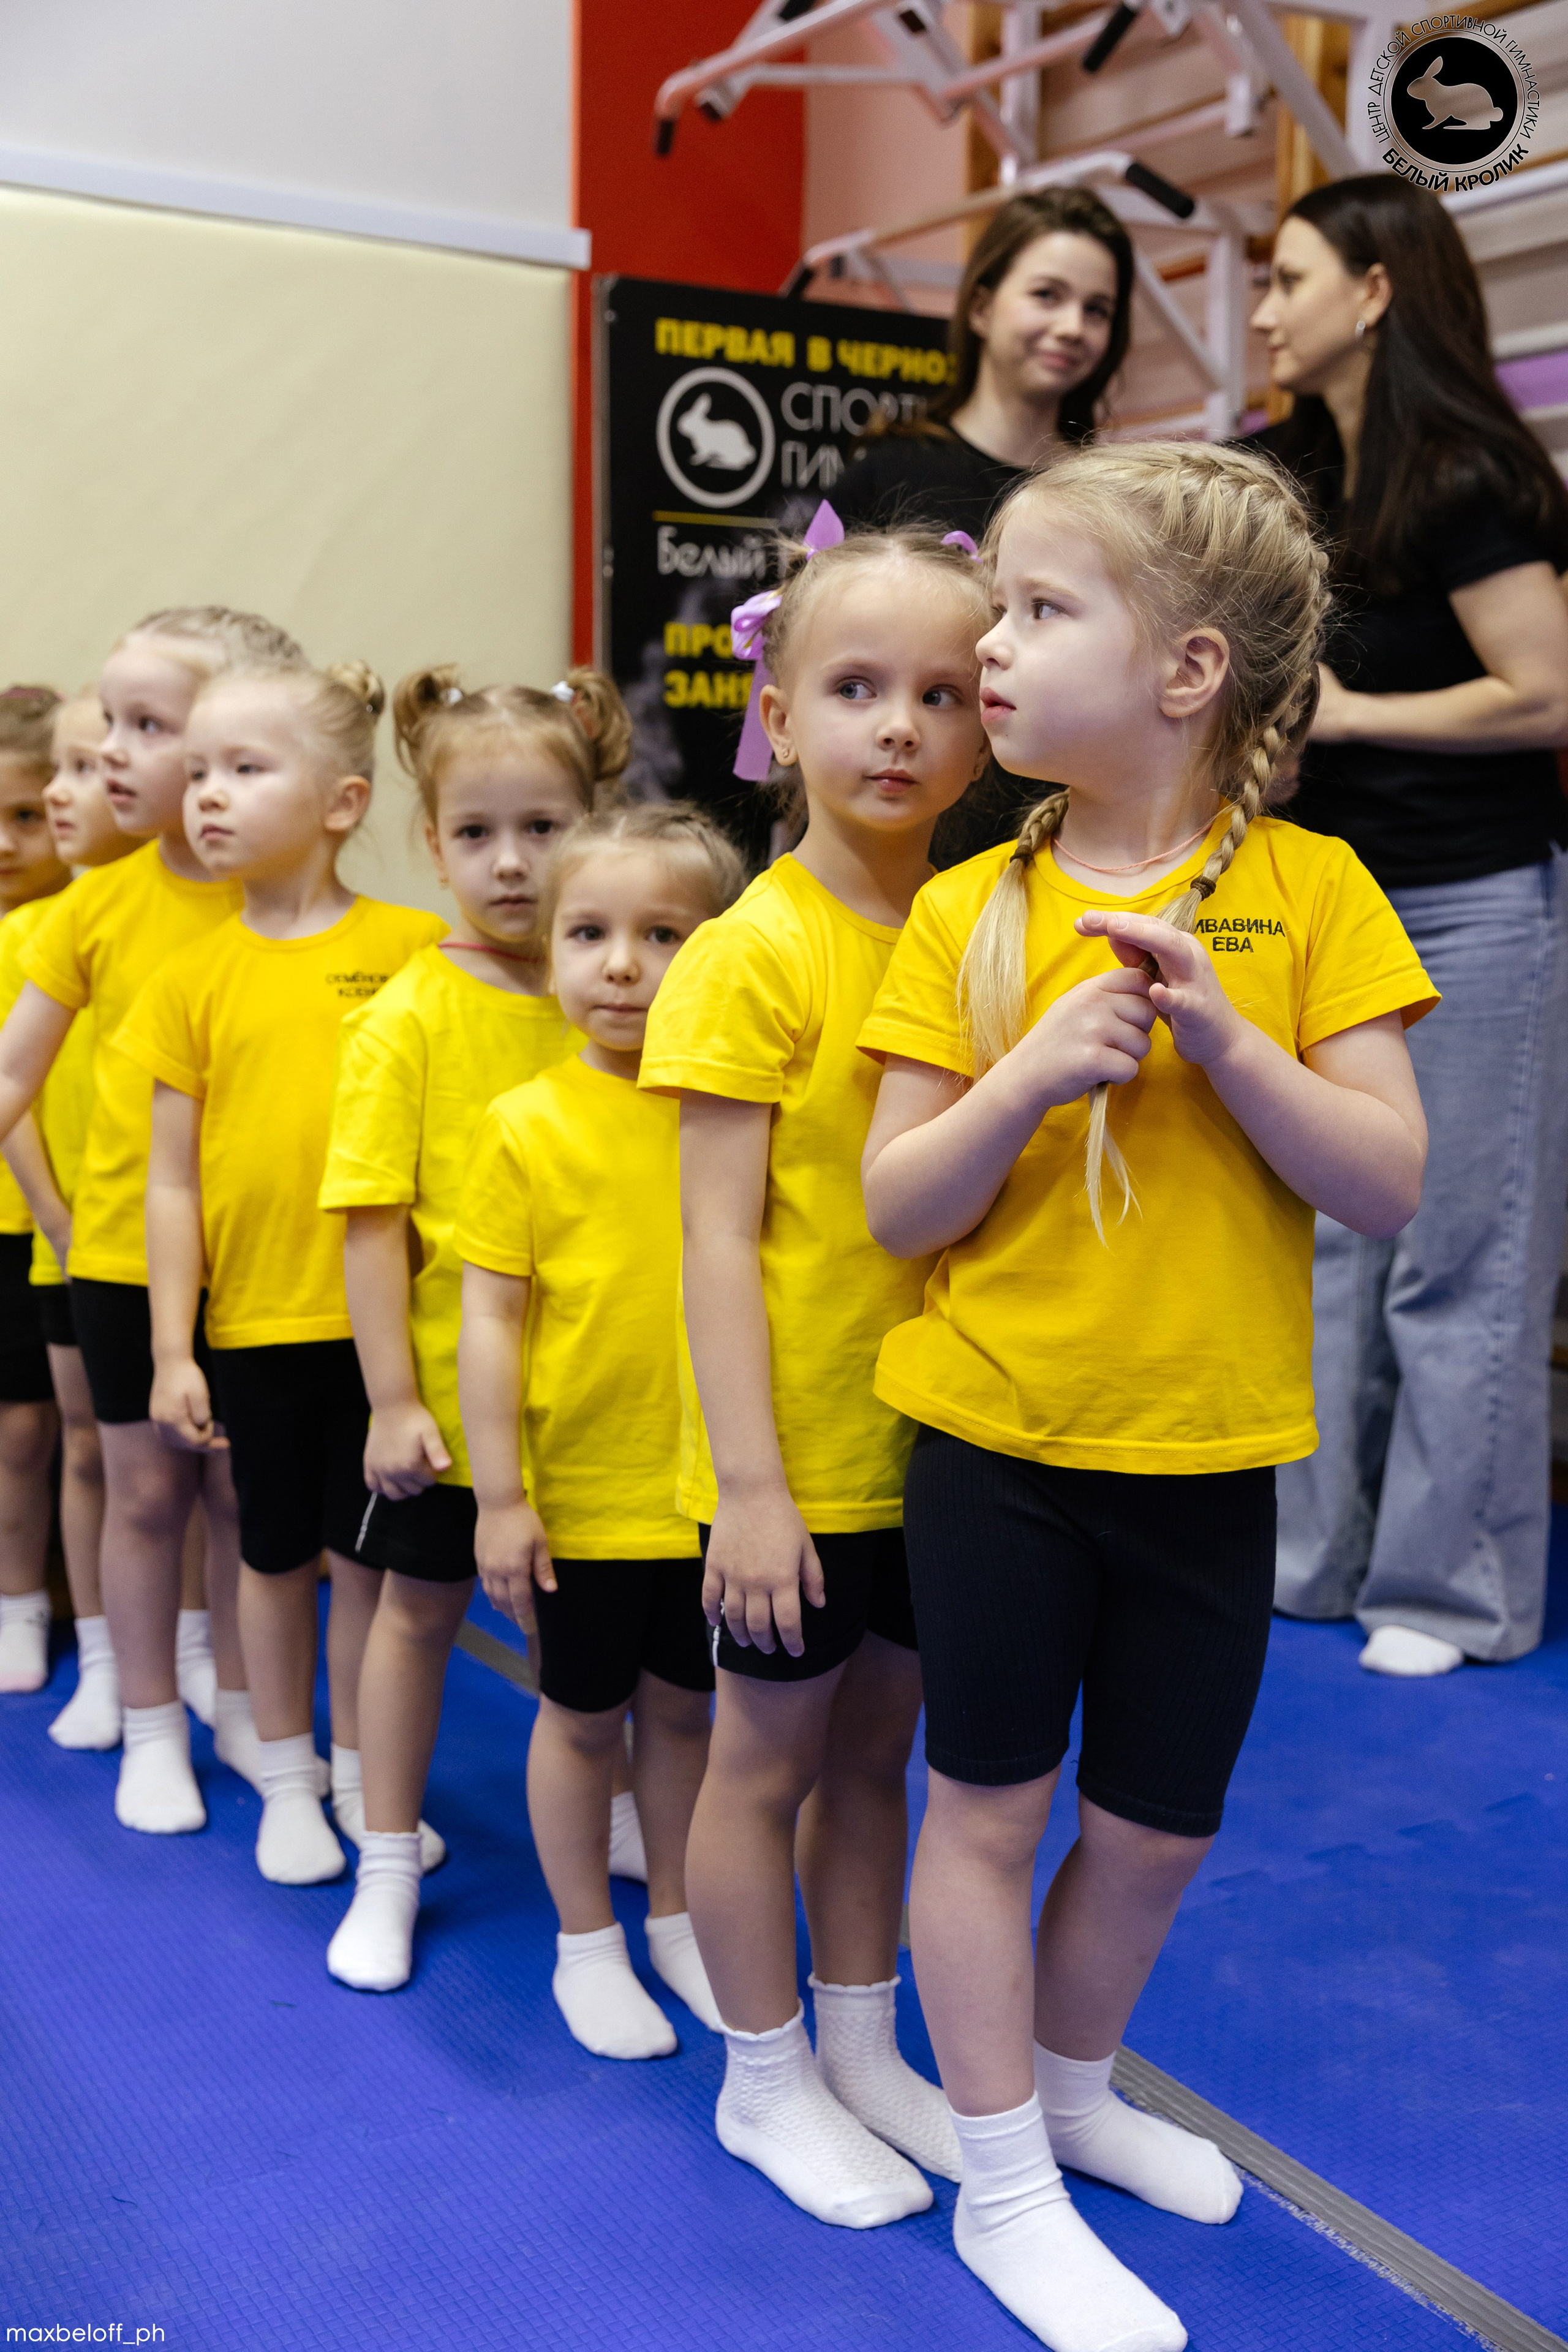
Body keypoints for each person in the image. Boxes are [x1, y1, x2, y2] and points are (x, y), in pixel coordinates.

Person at [857, 441, 1434, 2348]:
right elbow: (897, 1204)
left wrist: (1232, 1043)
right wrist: (1027, 1074)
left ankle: (1075, 2086)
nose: (989, 648)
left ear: (1187, 671)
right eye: (996, 606)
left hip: (1206, 1450)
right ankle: (1001, 2177)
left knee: (1159, 1827)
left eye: (1038, 610)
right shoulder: (969, 908)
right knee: (988, 1810)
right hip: (997, 1441)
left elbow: (1387, 1181)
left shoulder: (1313, 888)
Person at [639, 519, 992, 2226]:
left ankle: (860, 2048)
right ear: (775, 714)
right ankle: (762, 2076)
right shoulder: (754, 949)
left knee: (877, 1758)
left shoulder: (975, 928)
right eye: (855, 688)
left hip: (937, 1436)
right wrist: (754, 1488)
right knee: (762, 1761)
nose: (900, 727)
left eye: (942, 692)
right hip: (793, 1460)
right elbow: (713, 1240)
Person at [1251, 173, 1568, 1674]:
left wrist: (1350, 715)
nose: (1262, 312)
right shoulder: (1287, 473)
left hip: (1469, 898)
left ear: (1371, 292)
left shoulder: (1464, 474)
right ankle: (1305, 1556)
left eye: (1285, 280)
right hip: (1326, 903)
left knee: (1459, 1254)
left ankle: (1445, 1591)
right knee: (1324, 1249)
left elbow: (1543, 692)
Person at [318, 664, 629, 1989]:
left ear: (593, 825)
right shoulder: (409, 1017)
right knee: (417, 1616)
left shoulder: (614, 998)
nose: (512, 864)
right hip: (453, 1406)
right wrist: (394, 1399)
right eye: (476, 833)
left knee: (591, 1633)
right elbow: (369, 1225)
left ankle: (607, 1811)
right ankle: (387, 1855)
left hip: (597, 1407)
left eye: (543, 828)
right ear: (432, 845)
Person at [121, 659, 444, 1885]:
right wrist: (172, 1346)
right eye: (198, 770)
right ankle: (287, 1773)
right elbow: (171, 1182)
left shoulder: (414, 951)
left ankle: (366, 1776)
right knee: (268, 1556)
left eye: (244, 769)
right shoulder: (189, 979)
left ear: (343, 803)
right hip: (258, 1324)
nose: (205, 793)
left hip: (387, 1332)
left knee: (365, 1563)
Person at [0, 608, 306, 1834]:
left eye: (148, 728)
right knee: (143, 1499)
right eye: (109, 722)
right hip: (126, 1256)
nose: (113, 753)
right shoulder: (97, 908)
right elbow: (13, 1074)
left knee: (244, 1507)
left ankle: (243, 1708)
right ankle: (149, 1722)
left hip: (265, 1269)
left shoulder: (284, 905)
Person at [458, 803, 742, 2054]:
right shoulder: (525, 1124)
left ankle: (679, 1915)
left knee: (684, 1716)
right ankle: (586, 1941)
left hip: (707, 1495)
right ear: (551, 945)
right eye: (589, 933)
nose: (622, 966)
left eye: (663, 936)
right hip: (581, 1494)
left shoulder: (735, 1111)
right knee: (580, 1720)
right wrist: (501, 1497)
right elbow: (489, 1321)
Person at [0, 692, 141, 1743]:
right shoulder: (36, 937)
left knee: (142, 1455)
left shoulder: (135, 918)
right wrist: (53, 1214)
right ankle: (41, 1612)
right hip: (47, 1228)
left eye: (27, 811)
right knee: (40, 1432)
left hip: (136, 1233)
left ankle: (160, 1654)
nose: (17, 836)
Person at [835, 187, 1133, 546]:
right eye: (1046, 295)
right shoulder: (888, 475)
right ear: (981, 309)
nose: (1073, 327)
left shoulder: (1109, 497)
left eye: (1096, 310)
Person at [0, 688, 72, 1694]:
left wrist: (58, 1213)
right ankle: (18, 1597)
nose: (7, 842)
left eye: (26, 815)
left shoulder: (74, 925)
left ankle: (46, 1597)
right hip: (25, 1214)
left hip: (58, 1217)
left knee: (52, 1426)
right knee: (17, 1428)